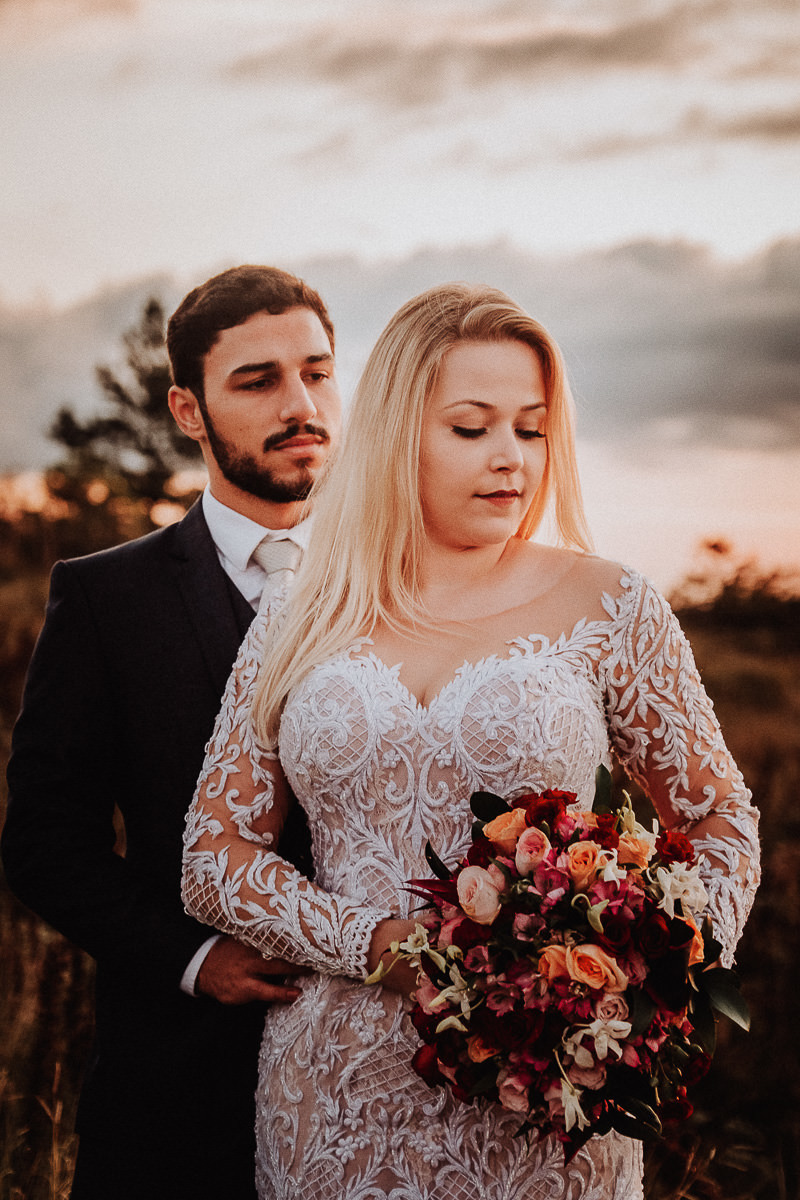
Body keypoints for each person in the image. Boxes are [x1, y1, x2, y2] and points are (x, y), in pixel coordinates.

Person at [182, 282, 760, 1200]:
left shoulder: (614, 606)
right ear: (398, 432)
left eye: (530, 430)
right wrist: (376, 944)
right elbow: (215, 857)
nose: (510, 461)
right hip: (331, 1095)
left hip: (539, 1107)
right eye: (472, 428)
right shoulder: (303, 607)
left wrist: (645, 961)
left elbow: (721, 818)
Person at [2, 265, 342, 1200]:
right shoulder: (106, 597)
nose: (300, 403)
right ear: (187, 411)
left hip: (385, 1078)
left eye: (317, 372)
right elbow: (43, 842)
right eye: (258, 380)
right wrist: (195, 961)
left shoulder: (403, 587)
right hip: (182, 1094)